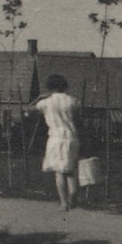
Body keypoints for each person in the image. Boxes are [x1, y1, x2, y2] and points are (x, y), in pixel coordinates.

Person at [32, 72, 82, 210]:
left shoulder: (46, 103)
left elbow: (30, 108)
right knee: (71, 169)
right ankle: (73, 193)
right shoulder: (72, 100)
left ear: (49, 87)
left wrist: (39, 97)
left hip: (55, 138)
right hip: (71, 136)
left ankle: (64, 202)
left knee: (59, 172)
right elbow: (78, 116)